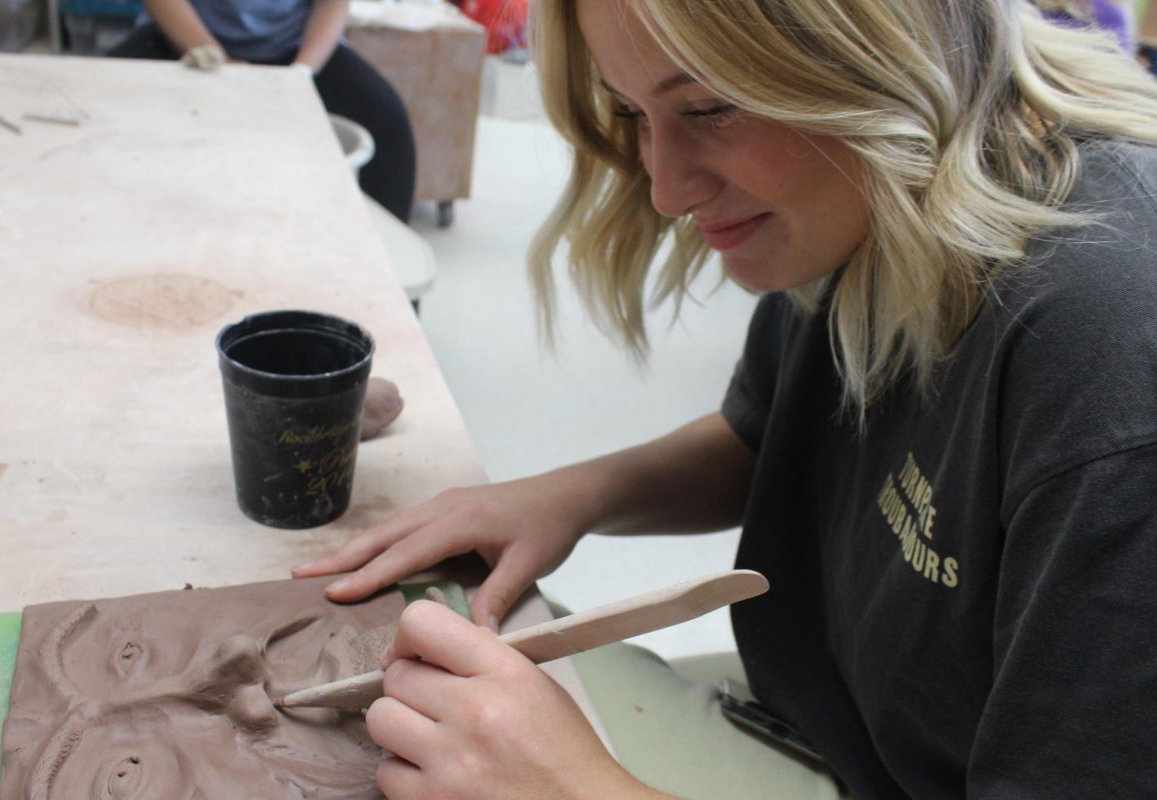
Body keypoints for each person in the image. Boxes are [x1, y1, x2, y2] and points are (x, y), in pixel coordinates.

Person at [293, 0, 1157, 797]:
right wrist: (573, 495)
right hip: (818, 719)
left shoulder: (1110, 354)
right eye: (632, 113)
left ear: (884, 53)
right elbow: (767, 435)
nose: (666, 191)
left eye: (709, 108)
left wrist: (578, 789)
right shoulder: (879, 183)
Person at [109, 0, 417, 222]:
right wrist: (217, 59)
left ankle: (390, 295)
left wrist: (300, 74)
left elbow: (331, 4)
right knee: (102, 113)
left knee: (388, 129)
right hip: (188, 44)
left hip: (295, 49)